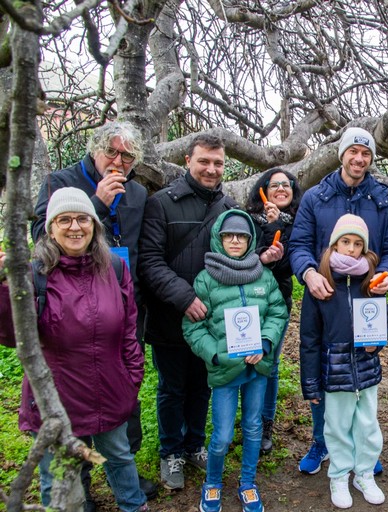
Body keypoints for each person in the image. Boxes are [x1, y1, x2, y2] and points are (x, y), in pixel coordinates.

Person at [30, 121, 155, 503]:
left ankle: (124, 470)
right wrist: (97, 205)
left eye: (128, 157)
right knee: (74, 408)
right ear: (94, 150)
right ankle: (80, 482)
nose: (119, 162)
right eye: (112, 153)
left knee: (121, 399)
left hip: (119, 300)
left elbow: (141, 248)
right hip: (66, 312)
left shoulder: (137, 192)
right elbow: (40, 237)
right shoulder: (61, 182)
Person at [0, 188, 147, 512]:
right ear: (51, 228)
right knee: (61, 473)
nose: (75, 227)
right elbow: (12, 336)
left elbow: (128, 330)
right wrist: (4, 291)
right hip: (57, 397)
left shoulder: (114, 269)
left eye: (83, 218)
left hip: (110, 389)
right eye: (64, 220)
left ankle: (133, 507)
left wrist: (131, 377)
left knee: (120, 457)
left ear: (94, 225)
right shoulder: (34, 275)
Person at [289, 127, 388, 475]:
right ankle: (322, 441)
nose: (359, 159)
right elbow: (298, 246)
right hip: (324, 296)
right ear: (342, 155)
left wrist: (385, 275)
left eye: (366, 154)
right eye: (353, 151)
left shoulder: (382, 200)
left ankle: (363, 447)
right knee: (326, 370)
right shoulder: (314, 197)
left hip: (367, 298)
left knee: (362, 375)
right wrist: (309, 273)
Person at [139, 133, 239, 490]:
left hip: (212, 322)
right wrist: (184, 298)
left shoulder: (229, 207)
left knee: (202, 386)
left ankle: (195, 443)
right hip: (171, 318)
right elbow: (149, 262)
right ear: (187, 161)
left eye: (218, 163)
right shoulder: (160, 204)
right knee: (172, 388)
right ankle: (171, 453)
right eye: (204, 162)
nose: (211, 169)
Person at [183, 210, 288, 512]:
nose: (234, 241)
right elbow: (193, 326)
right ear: (219, 237)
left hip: (258, 368)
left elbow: (277, 313)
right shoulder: (205, 279)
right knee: (222, 434)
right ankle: (213, 482)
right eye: (229, 235)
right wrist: (214, 354)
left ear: (250, 239)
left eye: (241, 236)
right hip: (225, 371)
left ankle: (248, 483)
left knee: (254, 427)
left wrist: (266, 342)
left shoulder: (264, 275)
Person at [299, 214, 388, 509]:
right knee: (336, 427)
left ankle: (363, 473)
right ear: (335, 244)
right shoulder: (320, 286)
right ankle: (338, 474)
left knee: (368, 425)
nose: (351, 248)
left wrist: (378, 343)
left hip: (366, 369)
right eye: (345, 242)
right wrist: (311, 384)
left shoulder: (370, 282)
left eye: (357, 244)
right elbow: (309, 339)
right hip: (334, 370)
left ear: (364, 248)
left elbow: (384, 324)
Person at [246, 167, 304, 454]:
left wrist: (275, 225)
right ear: (264, 189)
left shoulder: (299, 223)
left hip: (277, 303)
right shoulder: (247, 220)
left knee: (269, 365)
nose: (281, 188)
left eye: (287, 185)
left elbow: (284, 265)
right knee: (243, 361)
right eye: (275, 184)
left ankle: (264, 423)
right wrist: (268, 227)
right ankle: (246, 421)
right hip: (245, 301)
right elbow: (245, 258)